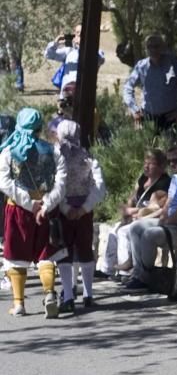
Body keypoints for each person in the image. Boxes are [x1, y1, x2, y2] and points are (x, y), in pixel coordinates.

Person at [0, 108, 67, 318]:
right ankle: (49, 294)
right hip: (46, 209)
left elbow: (5, 183)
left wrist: (30, 204)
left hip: (18, 209)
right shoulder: (54, 151)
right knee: (45, 253)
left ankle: (19, 303)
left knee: (16, 255)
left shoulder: (8, 152)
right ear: (39, 128)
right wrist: (45, 205)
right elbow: (61, 184)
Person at [122, 144, 177, 291]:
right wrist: (161, 218)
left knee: (149, 235)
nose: (172, 164)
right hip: (172, 223)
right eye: (169, 161)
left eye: (176, 160)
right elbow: (169, 204)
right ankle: (140, 274)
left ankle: (143, 277)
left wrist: (162, 223)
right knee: (136, 227)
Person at [53, 120, 106, 312]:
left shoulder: (56, 159)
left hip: (63, 211)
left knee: (64, 252)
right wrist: (85, 208)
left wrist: (66, 208)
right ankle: (88, 294)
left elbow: (55, 187)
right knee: (85, 249)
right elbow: (99, 187)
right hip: (84, 211)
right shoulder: (89, 159)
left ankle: (68, 295)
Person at [99, 149, 171, 280]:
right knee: (113, 230)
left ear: (161, 166)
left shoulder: (164, 183)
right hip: (134, 216)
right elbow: (132, 197)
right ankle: (107, 269)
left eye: (151, 163)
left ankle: (126, 273)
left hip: (147, 218)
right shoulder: (142, 179)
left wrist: (134, 212)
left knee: (124, 232)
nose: (146, 166)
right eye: (145, 162)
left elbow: (156, 207)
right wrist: (127, 209)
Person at [122, 33, 177, 132]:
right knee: (148, 147)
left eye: (156, 46)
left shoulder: (174, 63)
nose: (153, 50)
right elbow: (127, 87)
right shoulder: (141, 66)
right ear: (145, 49)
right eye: (149, 47)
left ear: (163, 47)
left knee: (170, 147)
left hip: (170, 118)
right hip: (148, 118)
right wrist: (134, 109)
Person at [44, 25, 104, 98]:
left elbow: (100, 60)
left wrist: (83, 45)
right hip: (67, 93)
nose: (79, 35)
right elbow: (49, 55)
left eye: (82, 33)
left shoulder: (95, 50)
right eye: (77, 32)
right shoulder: (69, 51)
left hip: (85, 93)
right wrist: (56, 43)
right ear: (74, 34)